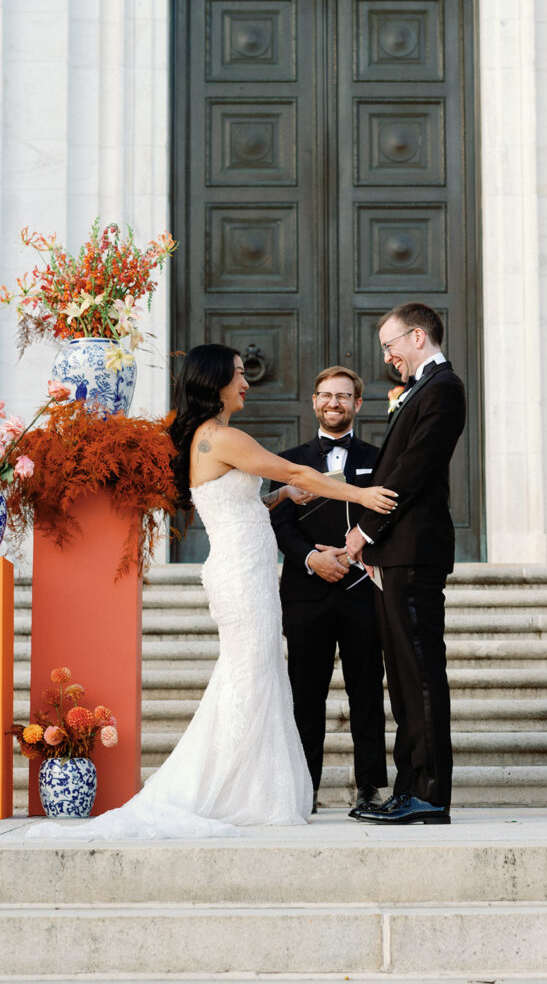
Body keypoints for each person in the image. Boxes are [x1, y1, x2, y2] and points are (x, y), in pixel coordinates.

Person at [25, 344, 397, 839]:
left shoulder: (206, 439)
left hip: (244, 571)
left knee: (253, 676)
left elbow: (241, 504)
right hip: (242, 577)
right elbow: (296, 469)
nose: (247, 382)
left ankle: (248, 786)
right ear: (217, 381)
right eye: (240, 374)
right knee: (248, 679)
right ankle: (224, 788)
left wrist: (281, 498)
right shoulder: (223, 437)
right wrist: (361, 494)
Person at [345, 303, 466, 826]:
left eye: (391, 344)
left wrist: (366, 531)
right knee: (402, 675)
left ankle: (429, 793)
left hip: (414, 550)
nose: (388, 356)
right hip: (396, 554)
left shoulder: (444, 388)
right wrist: (375, 552)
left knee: (418, 673)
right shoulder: (420, 389)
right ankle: (407, 786)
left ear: (417, 336)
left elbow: (413, 470)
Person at [269, 366, 387, 815]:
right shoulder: (288, 459)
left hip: (362, 590)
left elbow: (386, 514)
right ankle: (305, 788)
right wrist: (310, 558)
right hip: (306, 593)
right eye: (325, 395)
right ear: (314, 402)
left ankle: (370, 788)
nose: (333, 403)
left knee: (367, 694)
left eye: (343, 396)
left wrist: (356, 551)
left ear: (357, 404)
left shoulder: (380, 458)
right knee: (305, 695)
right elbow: (278, 522)